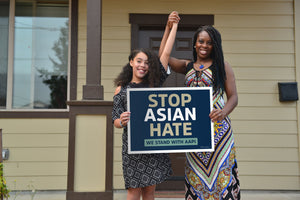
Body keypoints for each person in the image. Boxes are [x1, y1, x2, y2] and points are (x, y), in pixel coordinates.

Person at [159, 13, 241, 200]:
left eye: (209, 43)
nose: (204, 46)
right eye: (201, 41)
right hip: (195, 133)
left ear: (214, 46)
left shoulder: (222, 66)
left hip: (219, 133)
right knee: (196, 176)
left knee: (222, 176)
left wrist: (223, 112)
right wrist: (169, 28)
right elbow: (163, 56)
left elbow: (234, 97)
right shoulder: (187, 66)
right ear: (195, 44)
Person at [112, 12, 179, 200]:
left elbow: (164, 53)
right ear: (131, 62)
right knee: (133, 190)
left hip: (152, 144)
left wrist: (172, 26)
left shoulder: (153, 84)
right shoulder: (121, 89)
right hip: (132, 148)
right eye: (139, 61)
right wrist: (121, 121)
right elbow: (115, 118)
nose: (143, 65)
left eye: (147, 63)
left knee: (150, 190)